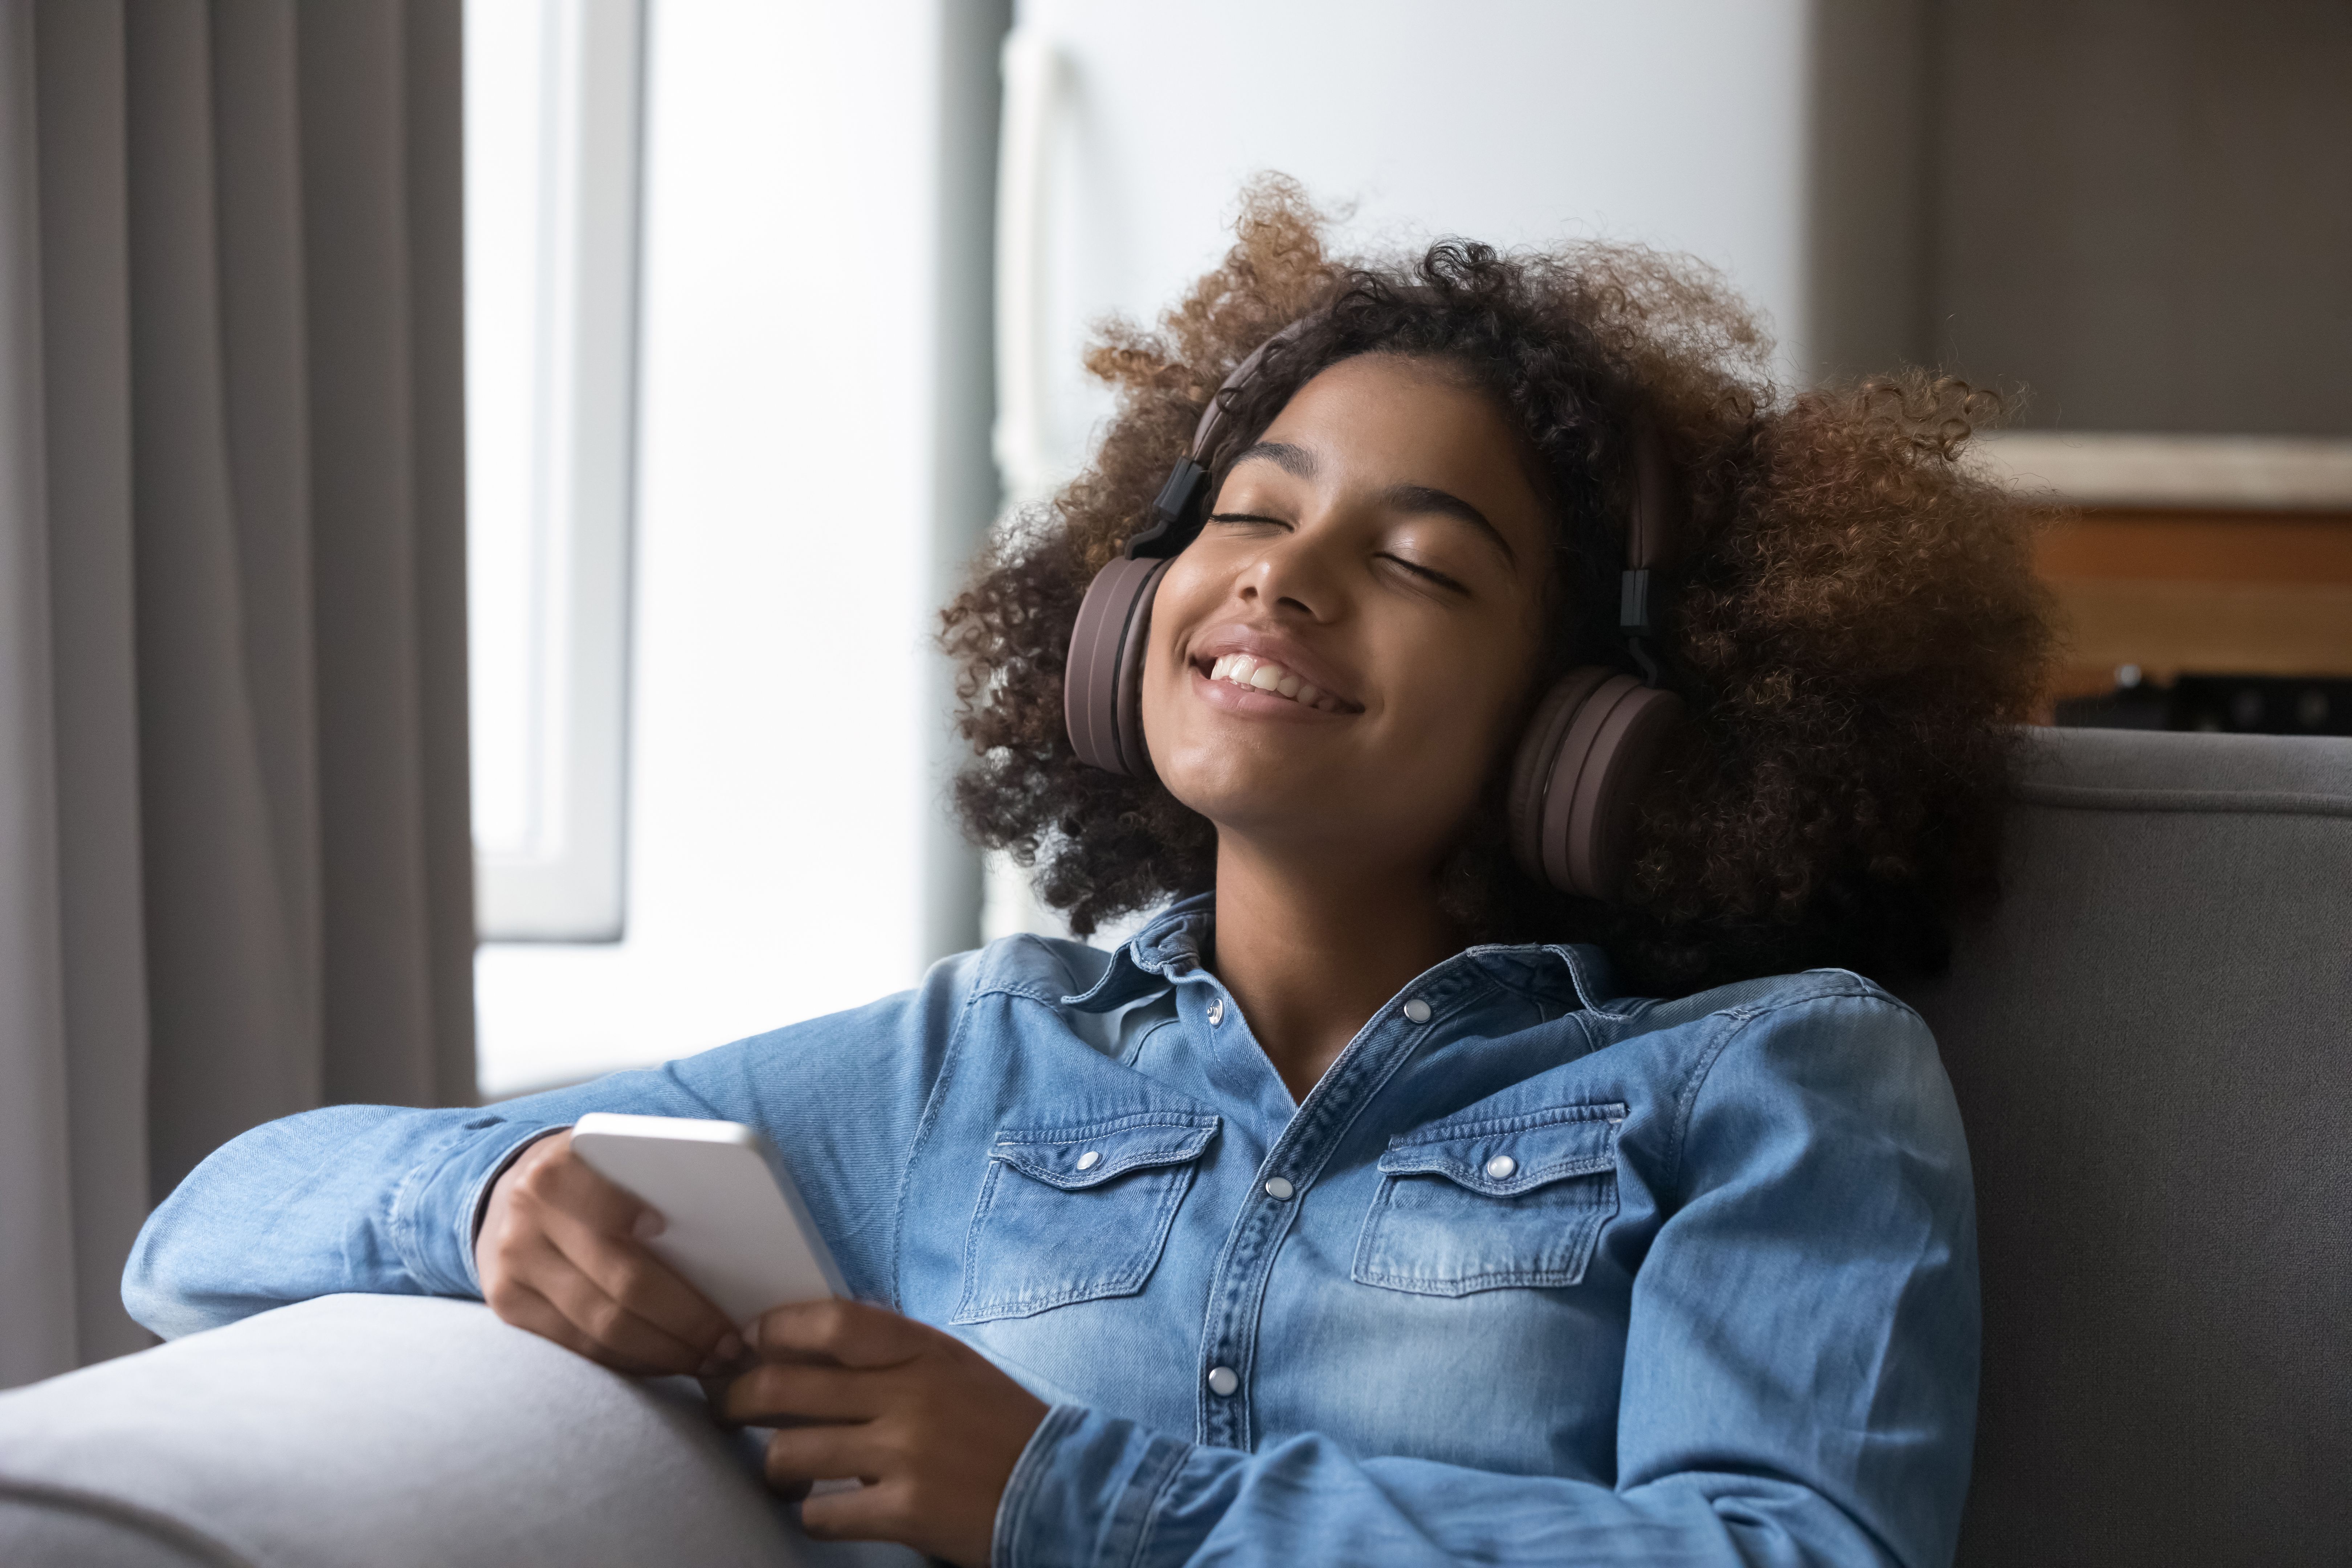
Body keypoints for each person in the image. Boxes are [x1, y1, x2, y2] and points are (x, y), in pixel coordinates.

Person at [124, 179, 2055, 1568]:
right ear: (1132, 606)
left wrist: (1072, 1500)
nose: (1281, 581)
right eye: (1246, 516)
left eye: (1423, 559)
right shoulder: (974, 1071)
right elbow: (204, 1226)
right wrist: (484, 1198)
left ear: (1592, 717)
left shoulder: (1772, 1080)